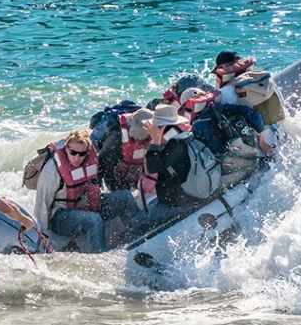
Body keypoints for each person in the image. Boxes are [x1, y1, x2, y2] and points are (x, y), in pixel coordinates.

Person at [33, 129, 139, 253]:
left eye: (82, 154)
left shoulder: (90, 161)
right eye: (73, 152)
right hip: (60, 216)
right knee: (93, 219)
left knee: (126, 197)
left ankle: (140, 235)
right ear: (66, 149)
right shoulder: (52, 170)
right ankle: (100, 255)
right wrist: (40, 238)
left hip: (85, 205)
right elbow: (42, 204)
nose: (77, 157)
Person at [130, 104, 202, 236]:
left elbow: (153, 167)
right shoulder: (182, 137)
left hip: (179, 203)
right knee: (145, 210)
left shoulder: (175, 146)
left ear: (163, 126)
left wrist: (155, 142)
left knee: (137, 222)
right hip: (174, 197)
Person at [181, 87, 272, 187]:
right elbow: (255, 115)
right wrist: (262, 142)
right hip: (253, 156)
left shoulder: (196, 128)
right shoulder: (225, 108)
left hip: (231, 171)